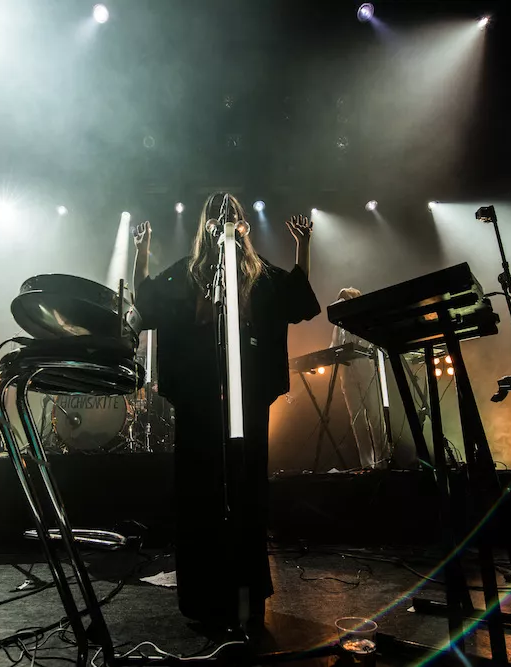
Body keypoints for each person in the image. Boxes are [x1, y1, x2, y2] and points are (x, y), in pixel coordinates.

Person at [132, 193, 320, 632]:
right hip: (199, 400)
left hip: (246, 399)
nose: (226, 219)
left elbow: (295, 297)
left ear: (243, 224)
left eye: (232, 213)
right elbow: (148, 301)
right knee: (198, 496)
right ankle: (203, 601)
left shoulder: (257, 272)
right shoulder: (189, 272)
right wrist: (142, 252)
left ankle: (247, 599)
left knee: (247, 491)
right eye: (219, 214)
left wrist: (303, 247)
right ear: (207, 224)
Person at [330, 288, 390, 469]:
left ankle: (382, 462)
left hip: (365, 371)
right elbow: (333, 347)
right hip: (347, 374)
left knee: (375, 417)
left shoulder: (363, 319)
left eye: (346, 299)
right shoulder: (338, 326)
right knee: (357, 421)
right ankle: (367, 465)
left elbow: (369, 343)